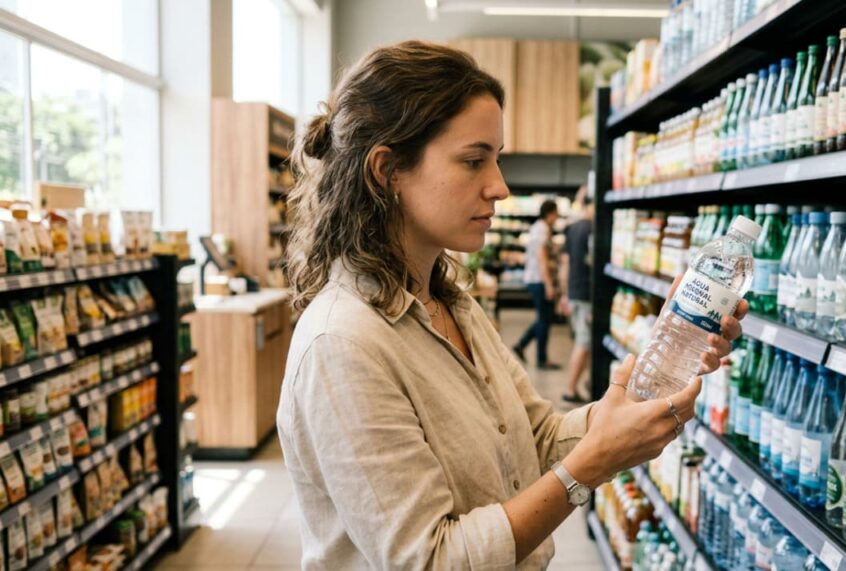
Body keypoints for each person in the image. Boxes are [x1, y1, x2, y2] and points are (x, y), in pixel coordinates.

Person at [277, 41, 747, 570]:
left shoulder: (451, 304)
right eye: (474, 160)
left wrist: (651, 379)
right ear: (387, 170)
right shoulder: (343, 345)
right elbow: (431, 560)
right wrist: (587, 469)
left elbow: (536, 438)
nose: (499, 186)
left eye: (495, 159)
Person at [513, 199, 561, 369]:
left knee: (544, 318)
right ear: (550, 213)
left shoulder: (539, 228)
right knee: (544, 319)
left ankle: (522, 345)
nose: (557, 217)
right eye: (556, 213)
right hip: (539, 280)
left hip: (535, 279)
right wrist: (549, 284)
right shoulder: (542, 230)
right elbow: (542, 259)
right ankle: (541, 358)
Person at [559, 191, 593, 404]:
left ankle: (584, 383)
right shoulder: (593, 229)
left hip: (573, 292)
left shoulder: (572, 229)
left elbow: (565, 263)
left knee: (581, 340)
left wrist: (564, 293)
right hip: (588, 294)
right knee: (584, 341)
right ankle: (570, 389)